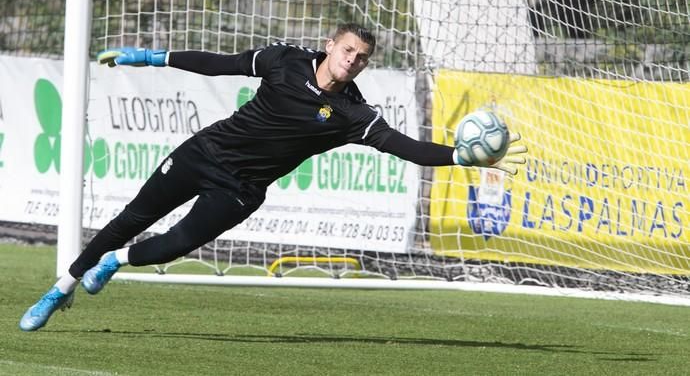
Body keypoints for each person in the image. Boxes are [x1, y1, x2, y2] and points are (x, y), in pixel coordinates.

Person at [19, 23, 526, 331]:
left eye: (363, 58)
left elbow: (407, 148)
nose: (353, 62)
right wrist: (152, 57)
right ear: (331, 46)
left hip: (241, 191)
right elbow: (223, 64)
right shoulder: (284, 60)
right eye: (348, 51)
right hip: (204, 152)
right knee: (132, 216)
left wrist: (462, 158)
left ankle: (116, 261)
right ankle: (60, 288)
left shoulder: (354, 115)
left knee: (173, 246)